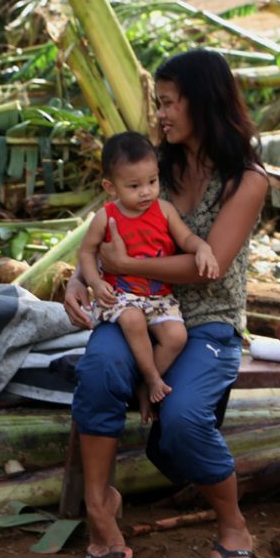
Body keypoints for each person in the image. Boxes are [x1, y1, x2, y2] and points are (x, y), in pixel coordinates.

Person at [64, 49, 267, 558]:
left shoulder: (245, 180)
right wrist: (78, 277)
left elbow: (210, 267)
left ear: (202, 102)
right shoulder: (156, 165)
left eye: (170, 103)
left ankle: (232, 524)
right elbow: (102, 232)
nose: (161, 114)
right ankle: (100, 512)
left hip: (208, 323)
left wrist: (125, 263)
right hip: (132, 308)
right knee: (98, 373)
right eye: (160, 103)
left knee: (179, 423)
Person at [77, 131, 219, 421]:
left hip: (159, 296)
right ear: (111, 186)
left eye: (152, 182)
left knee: (177, 337)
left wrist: (203, 248)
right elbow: (86, 253)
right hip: (120, 295)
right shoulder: (106, 217)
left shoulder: (164, 211)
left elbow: (187, 237)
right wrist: (94, 281)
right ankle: (153, 378)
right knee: (132, 320)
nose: (145, 192)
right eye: (134, 186)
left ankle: (144, 382)